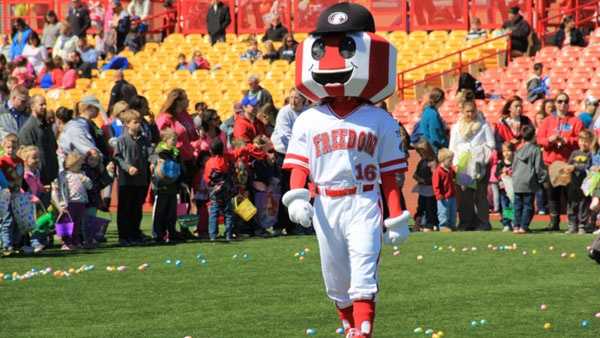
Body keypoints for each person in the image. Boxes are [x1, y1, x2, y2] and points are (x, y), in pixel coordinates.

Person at [281, 4, 409, 337]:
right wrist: (295, 198)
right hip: (324, 203)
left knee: (364, 272)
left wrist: (395, 215)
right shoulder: (308, 118)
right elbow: (298, 163)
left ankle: (363, 331)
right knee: (335, 279)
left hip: (364, 201)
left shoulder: (381, 119)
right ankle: (349, 326)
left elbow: (390, 174)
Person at [537, 92, 584, 231]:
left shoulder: (575, 121)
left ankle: (572, 222)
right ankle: (554, 222)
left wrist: (567, 140)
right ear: (555, 103)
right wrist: (549, 140)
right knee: (553, 194)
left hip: (569, 164)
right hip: (551, 163)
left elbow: (581, 140)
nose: (562, 104)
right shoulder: (547, 121)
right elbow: (539, 140)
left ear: (568, 103)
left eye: (565, 101)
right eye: (559, 101)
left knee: (570, 195)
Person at [449, 99, 495, 231]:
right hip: (463, 162)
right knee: (465, 195)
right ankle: (466, 222)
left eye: (472, 111)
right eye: (467, 111)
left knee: (480, 194)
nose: (470, 114)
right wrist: (456, 163)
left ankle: (483, 222)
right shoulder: (456, 127)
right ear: (462, 112)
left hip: (479, 162)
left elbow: (491, 144)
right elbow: (452, 147)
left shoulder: (484, 125)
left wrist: (480, 153)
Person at [114, 109, 151, 246]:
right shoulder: (121, 140)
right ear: (126, 124)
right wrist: (127, 167)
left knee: (137, 209)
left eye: (139, 122)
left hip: (141, 180)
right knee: (125, 209)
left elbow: (150, 153)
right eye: (135, 122)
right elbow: (117, 158)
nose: (138, 125)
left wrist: (154, 161)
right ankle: (124, 236)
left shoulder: (144, 139)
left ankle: (135, 233)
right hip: (126, 181)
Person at [18, 95, 58, 202]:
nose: (44, 107)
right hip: (37, 181)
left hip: (51, 177)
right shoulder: (28, 129)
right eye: (41, 104)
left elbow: (54, 147)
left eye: (45, 104)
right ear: (32, 106)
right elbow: (26, 157)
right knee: (40, 215)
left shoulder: (46, 126)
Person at [52, 152, 93, 250]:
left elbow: (90, 186)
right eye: (78, 164)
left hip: (81, 202)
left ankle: (75, 241)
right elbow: (60, 190)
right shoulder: (65, 175)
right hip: (70, 203)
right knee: (67, 223)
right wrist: (62, 204)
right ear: (72, 164)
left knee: (77, 223)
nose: (80, 166)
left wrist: (85, 179)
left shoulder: (82, 174)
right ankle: (66, 242)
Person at [512, 125, 547, 234]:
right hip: (529, 181)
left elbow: (514, 166)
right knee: (528, 205)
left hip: (517, 180)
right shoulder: (536, 150)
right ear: (534, 136)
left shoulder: (518, 150)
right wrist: (543, 178)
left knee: (517, 205)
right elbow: (538, 167)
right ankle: (524, 226)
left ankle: (516, 226)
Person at [150, 128, 181, 244]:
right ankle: (158, 234)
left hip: (173, 185)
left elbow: (179, 166)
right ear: (165, 139)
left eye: (176, 139)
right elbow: (152, 161)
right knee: (160, 210)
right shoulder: (159, 151)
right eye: (173, 139)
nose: (175, 142)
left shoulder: (176, 152)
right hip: (162, 186)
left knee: (172, 211)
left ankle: (171, 232)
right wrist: (155, 163)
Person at [204, 139, 235, 241]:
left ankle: (213, 235)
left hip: (215, 191)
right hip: (226, 190)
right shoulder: (226, 159)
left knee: (214, 213)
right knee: (228, 213)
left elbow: (207, 178)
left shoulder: (209, 162)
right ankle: (228, 234)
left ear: (211, 150)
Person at [566, 130, 593, 234]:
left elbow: (588, 167)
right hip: (573, 184)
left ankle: (582, 225)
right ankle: (572, 225)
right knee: (572, 204)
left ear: (590, 142)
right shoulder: (574, 153)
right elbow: (569, 164)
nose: (583, 143)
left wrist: (575, 167)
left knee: (583, 204)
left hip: (585, 185)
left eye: (586, 141)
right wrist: (567, 168)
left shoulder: (590, 154)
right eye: (581, 140)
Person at [412, 139, 438, 232]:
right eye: (419, 152)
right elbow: (416, 174)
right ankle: (418, 224)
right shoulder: (422, 162)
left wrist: (425, 180)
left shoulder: (433, 161)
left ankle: (430, 224)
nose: (420, 154)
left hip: (430, 190)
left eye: (422, 152)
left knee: (430, 207)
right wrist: (417, 178)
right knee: (420, 207)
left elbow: (435, 177)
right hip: (423, 189)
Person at [415, 88, 448, 152]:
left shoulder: (427, 110)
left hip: (428, 146)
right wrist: (445, 145)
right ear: (440, 100)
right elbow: (434, 136)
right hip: (433, 149)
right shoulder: (433, 114)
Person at [433, 148, 456, 232]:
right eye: (450, 160)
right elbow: (436, 185)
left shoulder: (450, 170)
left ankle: (452, 224)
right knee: (443, 212)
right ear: (443, 160)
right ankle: (443, 226)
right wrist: (438, 195)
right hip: (443, 197)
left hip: (452, 195)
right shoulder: (438, 171)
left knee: (452, 212)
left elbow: (454, 177)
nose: (451, 162)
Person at [495, 142, 515, 232]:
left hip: (513, 188)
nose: (506, 153)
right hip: (503, 190)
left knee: (513, 205)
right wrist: (501, 174)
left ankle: (514, 222)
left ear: (513, 151)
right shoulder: (501, 163)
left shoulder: (515, 162)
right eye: (504, 151)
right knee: (505, 206)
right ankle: (506, 223)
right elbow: (497, 174)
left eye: (508, 151)